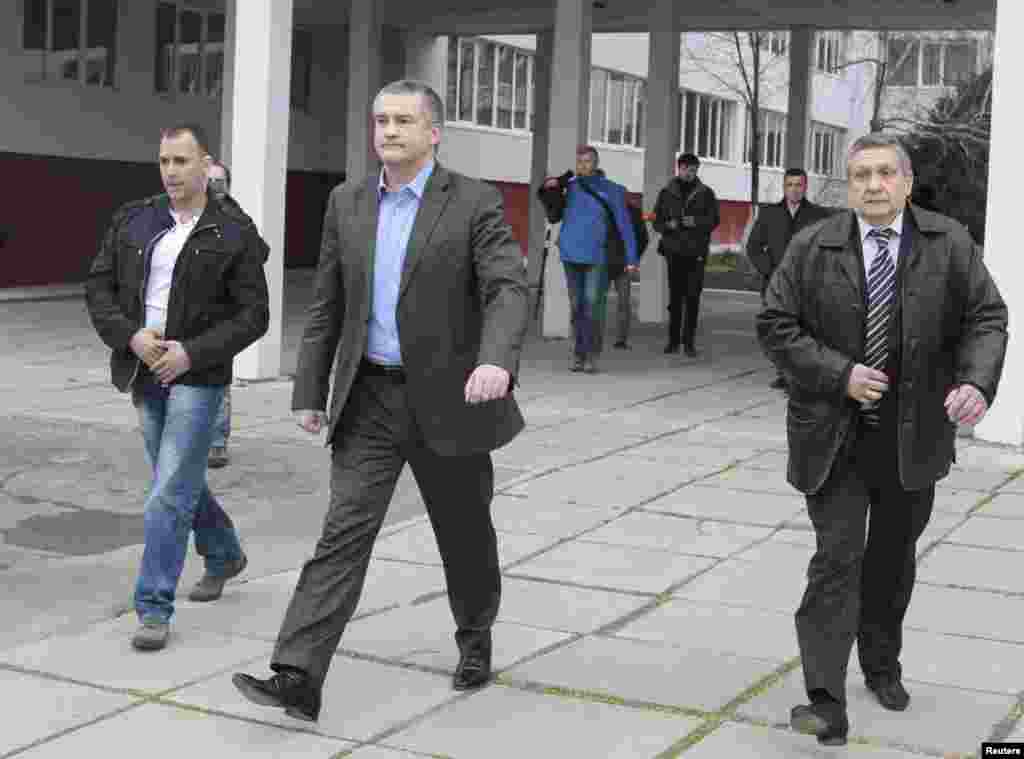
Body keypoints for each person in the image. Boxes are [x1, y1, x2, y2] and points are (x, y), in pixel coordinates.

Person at [232, 80, 530, 723]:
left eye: (403, 121)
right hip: (369, 397)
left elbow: (508, 287)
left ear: (434, 132)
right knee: (342, 535)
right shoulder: (348, 202)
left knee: (465, 534)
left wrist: (494, 360)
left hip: (451, 401)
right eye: (380, 121)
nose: (388, 131)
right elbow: (329, 304)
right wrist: (310, 389)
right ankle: (298, 675)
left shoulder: (473, 202)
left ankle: (474, 636)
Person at [757, 133, 1007, 746]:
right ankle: (824, 696)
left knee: (892, 563)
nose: (873, 185)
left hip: (913, 437)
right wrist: (839, 373)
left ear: (907, 182)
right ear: (849, 185)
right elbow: (775, 322)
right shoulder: (814, 244)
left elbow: (986, 317)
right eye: (861, 175)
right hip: (834, 439)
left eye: (885, 174)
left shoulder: (948, 243)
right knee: (837, 561)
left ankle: (881, 663)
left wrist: (976, 382)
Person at [85, 124, 269, 651]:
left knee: (167, 492)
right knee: (180, 479)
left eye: (182, 161)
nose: (171, 172)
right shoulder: (134, 219)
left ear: (206, 164)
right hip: (145, 368)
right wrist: (131, 337)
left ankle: (153, 606)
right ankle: (225, 553)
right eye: (164, 160)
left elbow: (254, 315)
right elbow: (99, 287)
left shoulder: (233, 229)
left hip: (197, 375)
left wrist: (193, 352)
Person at [538, 146, 639, 373]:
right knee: (576, 307)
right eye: (580, 161)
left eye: (587, 161)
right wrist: (551, 186)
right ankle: (579, 353)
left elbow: (625, 225)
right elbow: (552, 209)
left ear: (596, 163)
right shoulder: (570, 187)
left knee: (593, 304)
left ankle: (592, 355)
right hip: (570, 254)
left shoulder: (612, 190)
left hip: (597, 256)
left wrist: (631, 259)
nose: (583, 165)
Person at [746, 168, 833, 389]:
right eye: (790, 185)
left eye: (799, 185)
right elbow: (754, 247)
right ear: (784, 187)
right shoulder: (769, 213)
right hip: (775, 282)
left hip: (806, 283)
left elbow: (827, 249)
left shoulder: (819, 215)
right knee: (777, 328)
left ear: (805, 187)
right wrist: (770, 270)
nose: (794, 190)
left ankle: (800, 374)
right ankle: (783, 372)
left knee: (803, 329)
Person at [653, 153, 720, 357]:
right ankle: (673, 341)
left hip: (696, 252)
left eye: (693, 170)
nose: (689, 173)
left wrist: (696, 222)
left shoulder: (706, 193)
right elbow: (656, 220)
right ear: (679, 169)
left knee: (692, 297)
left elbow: (714, 219)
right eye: (686, 169)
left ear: (697, 170)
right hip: (674, 251)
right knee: (675, 298)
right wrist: (667, 225)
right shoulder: (666, 192)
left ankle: (689, 342)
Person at [206, 160, 233, 468]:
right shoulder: (187, 213)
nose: (215, 185)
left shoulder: (234, 218)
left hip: (223, 312)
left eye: (220, 180)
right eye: (210, 179)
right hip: (190, 310)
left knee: (219, 380)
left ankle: (216, 442)